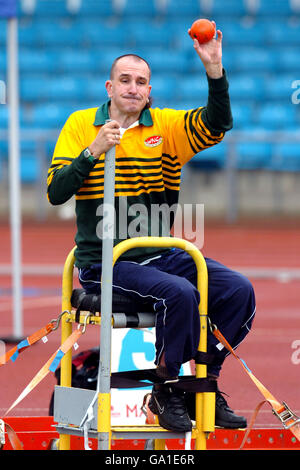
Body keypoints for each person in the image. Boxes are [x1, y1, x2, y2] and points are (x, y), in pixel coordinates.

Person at [47, 23, 256, 433]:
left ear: (148, 90)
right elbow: (56, 192)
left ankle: (198, 385)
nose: (133, 87)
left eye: (141, 81)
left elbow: (218, 123)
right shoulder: (79, 126)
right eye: (124, 80)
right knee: (180, 294)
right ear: (110, 87)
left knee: (238, 291)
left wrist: (214, 69)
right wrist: (92, 152)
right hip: (106, 262)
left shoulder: (164, 126)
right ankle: (164, 390)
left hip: (161, 255)